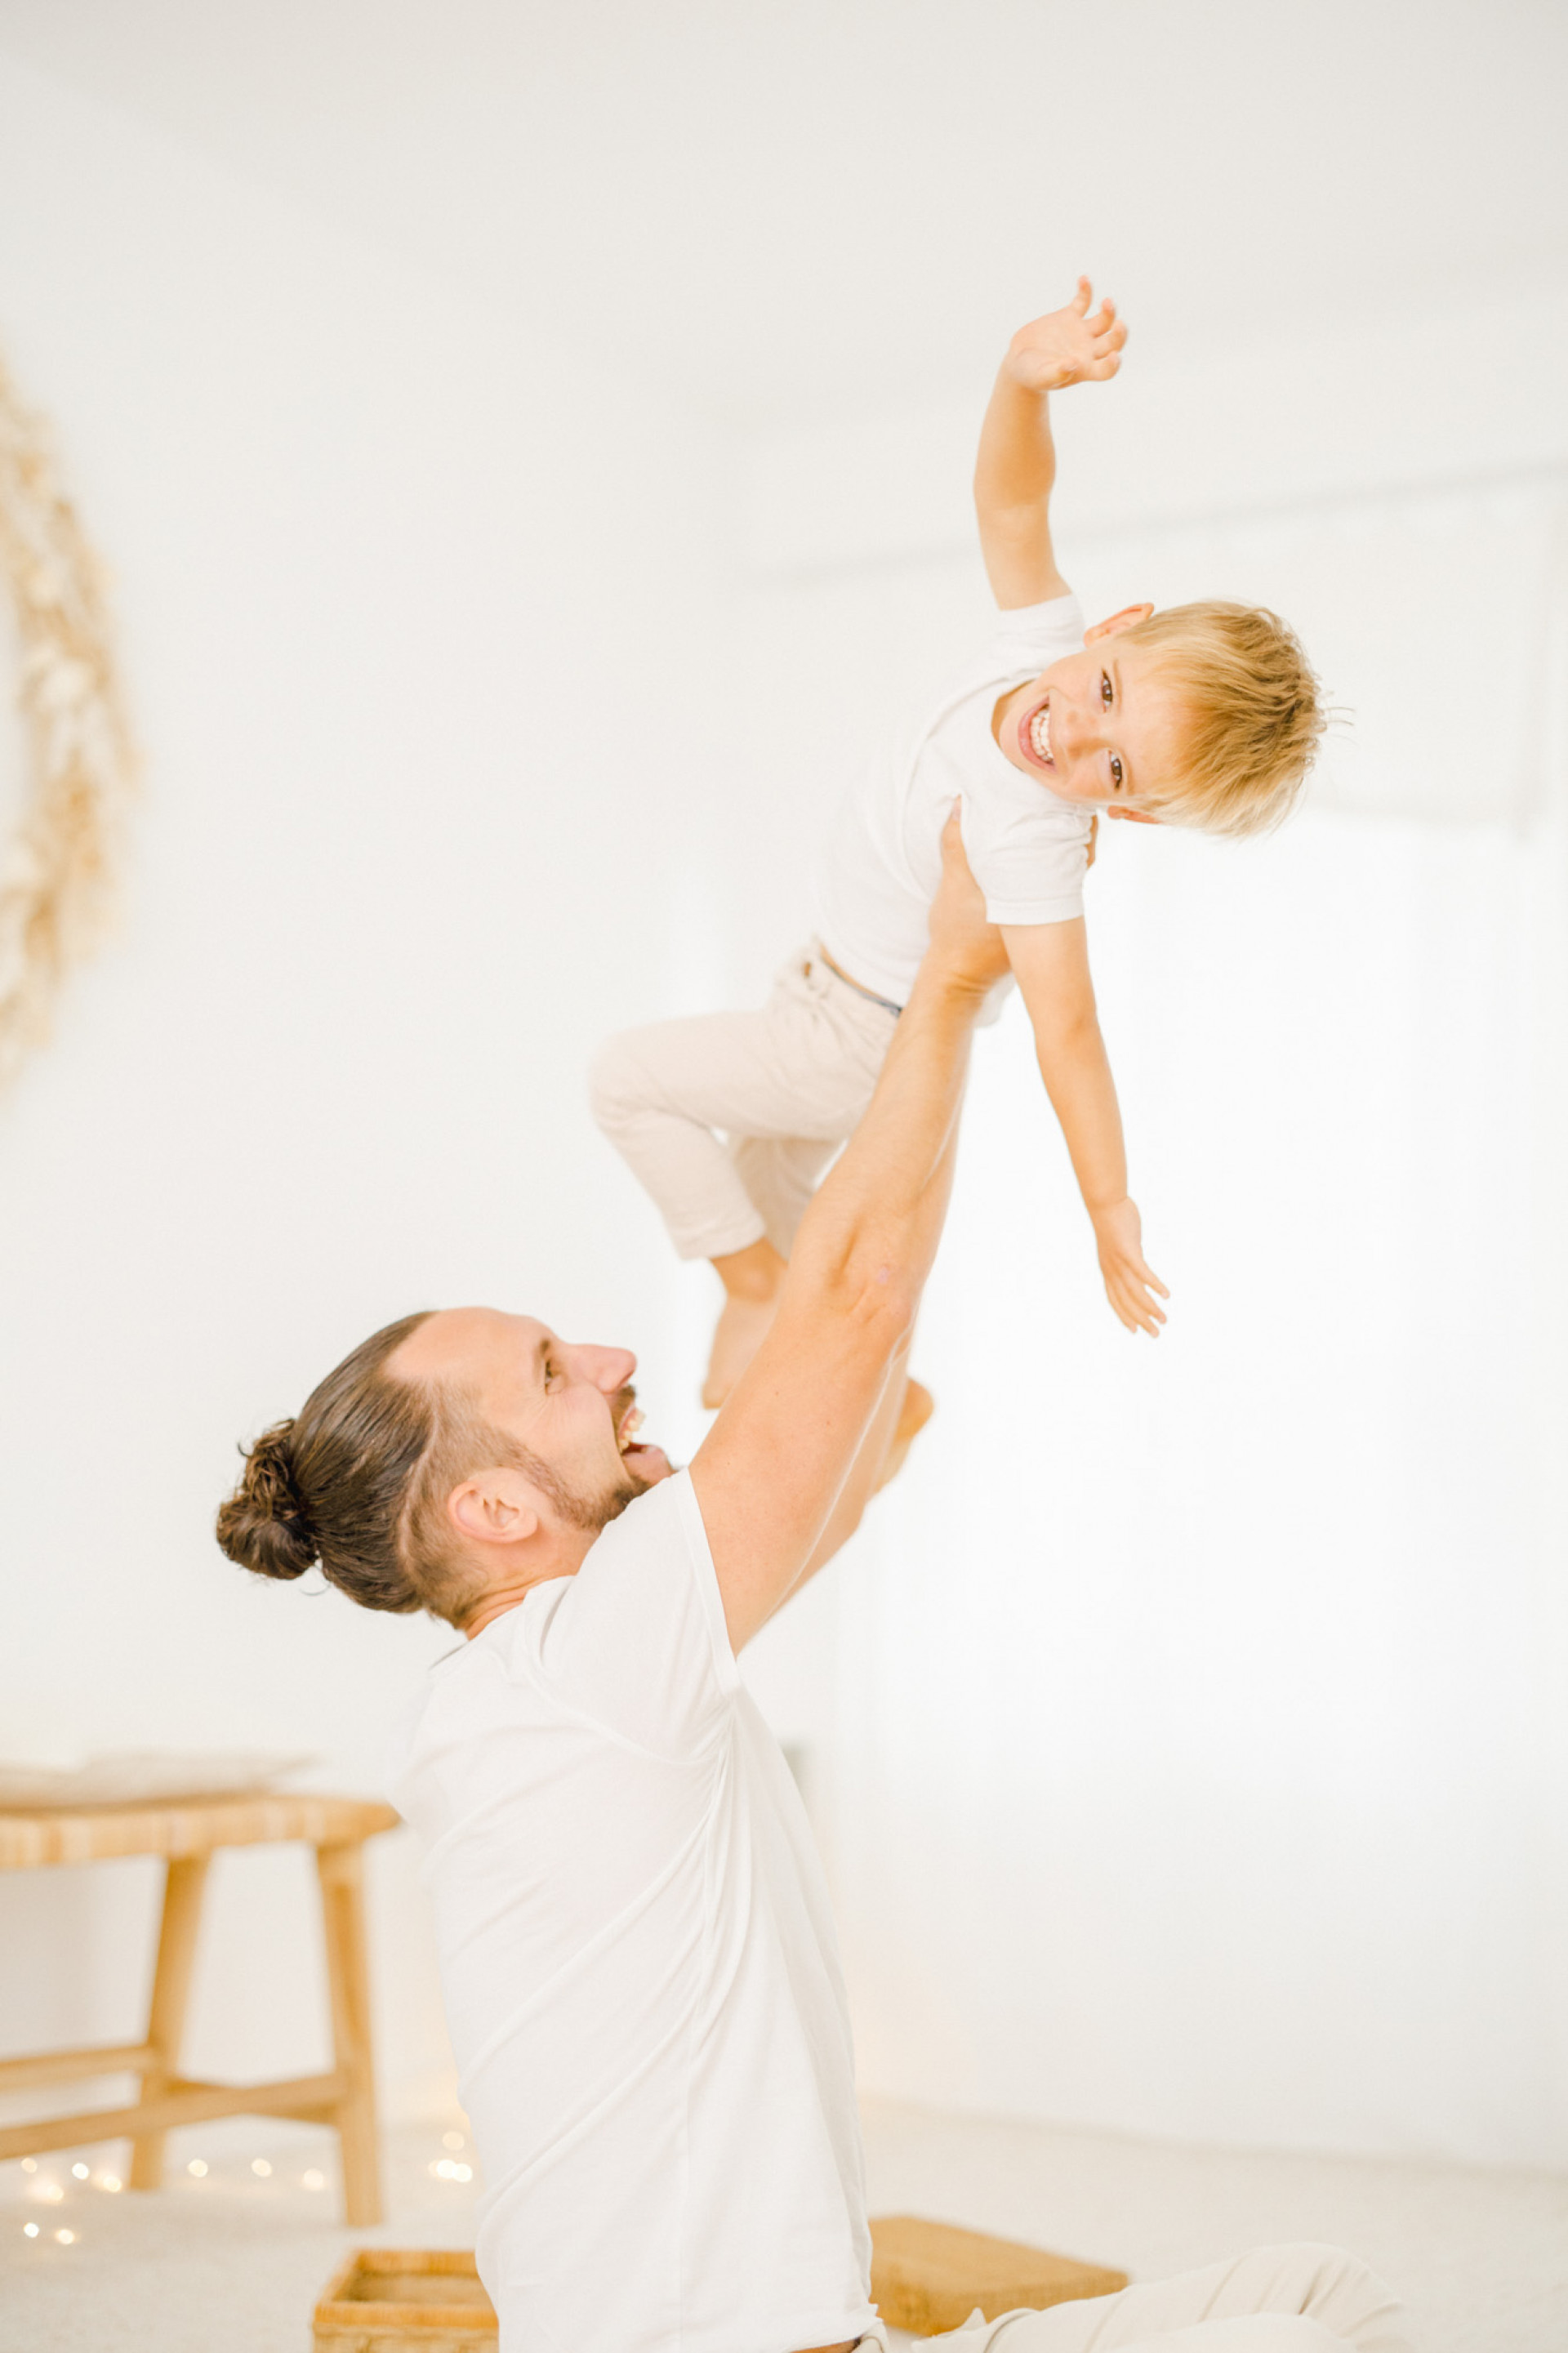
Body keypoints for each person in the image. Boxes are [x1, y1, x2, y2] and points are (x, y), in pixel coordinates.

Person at [216, 824, 1405, 2353]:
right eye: (553, 1370)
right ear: (497, 1507)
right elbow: (864, 1300)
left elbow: (881, 1418)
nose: (613, 1358)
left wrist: (770, 1269)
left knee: (1320, 2295)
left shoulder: (563, 1671)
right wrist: (959, 980)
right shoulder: (577, 1665)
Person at [590, 277, 1325, 1432]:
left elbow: (1069, 1030)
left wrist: (1110, 1201)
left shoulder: (1035, 836)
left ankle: (756, 1292)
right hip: (823, 984)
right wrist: (1018, 380)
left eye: (1116, 769)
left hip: (854, 1035)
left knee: (627, 1081)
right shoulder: (1035, 648)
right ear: (1112, 629)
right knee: (759, 1209)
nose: (1074, 735)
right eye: (1104, 694)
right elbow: (1012, 505)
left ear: (1121, 817)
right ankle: (878, 1398)